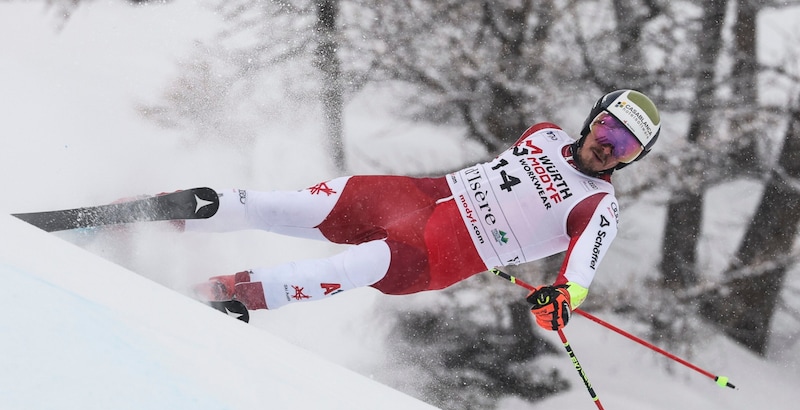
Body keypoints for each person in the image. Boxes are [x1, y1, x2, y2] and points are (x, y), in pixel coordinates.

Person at [187, 89, 661, 331]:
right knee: (285, 206)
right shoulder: (544, 133)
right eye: (607, 127)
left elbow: (578, 278)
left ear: (633, 158)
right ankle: (163, 214)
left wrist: (560, 301)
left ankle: (230, 294)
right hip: (413, 196)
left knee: (355, 266)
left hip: (440, 250)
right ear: (592, 119)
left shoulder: (599, 205)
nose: (608, 145)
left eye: (625, 145)